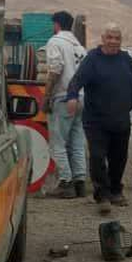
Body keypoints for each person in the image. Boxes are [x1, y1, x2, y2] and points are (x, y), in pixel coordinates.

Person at [65, 23, 132, 215]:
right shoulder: (92, 59)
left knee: (119, 158)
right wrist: (72, 97)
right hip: (96, 120)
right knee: (97, 157)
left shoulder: (125, 59)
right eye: (109, 37)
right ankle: (101, 196)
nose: (113, 41)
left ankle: (116, 191)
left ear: (121, 41)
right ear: (102, 39)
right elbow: (76, 81)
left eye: (117, 38)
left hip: (120, 119)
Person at [41, 11, 88, 198]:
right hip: (81, 97)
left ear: (56, 24)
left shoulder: (55, 42)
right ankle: (80, 182)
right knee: (77, 140)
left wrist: (46, 95)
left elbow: (55, 68)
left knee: (58, 141)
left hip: (63, 97)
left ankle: (65, 183)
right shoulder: (79, 46)